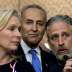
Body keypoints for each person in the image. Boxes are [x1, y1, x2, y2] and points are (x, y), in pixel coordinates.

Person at [17, 4, 62, 72]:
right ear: (20, 25)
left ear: (45, 28)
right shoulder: (8, 56)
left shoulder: (52, 59)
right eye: (29, 23)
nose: (34, 29)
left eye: (40, 24)